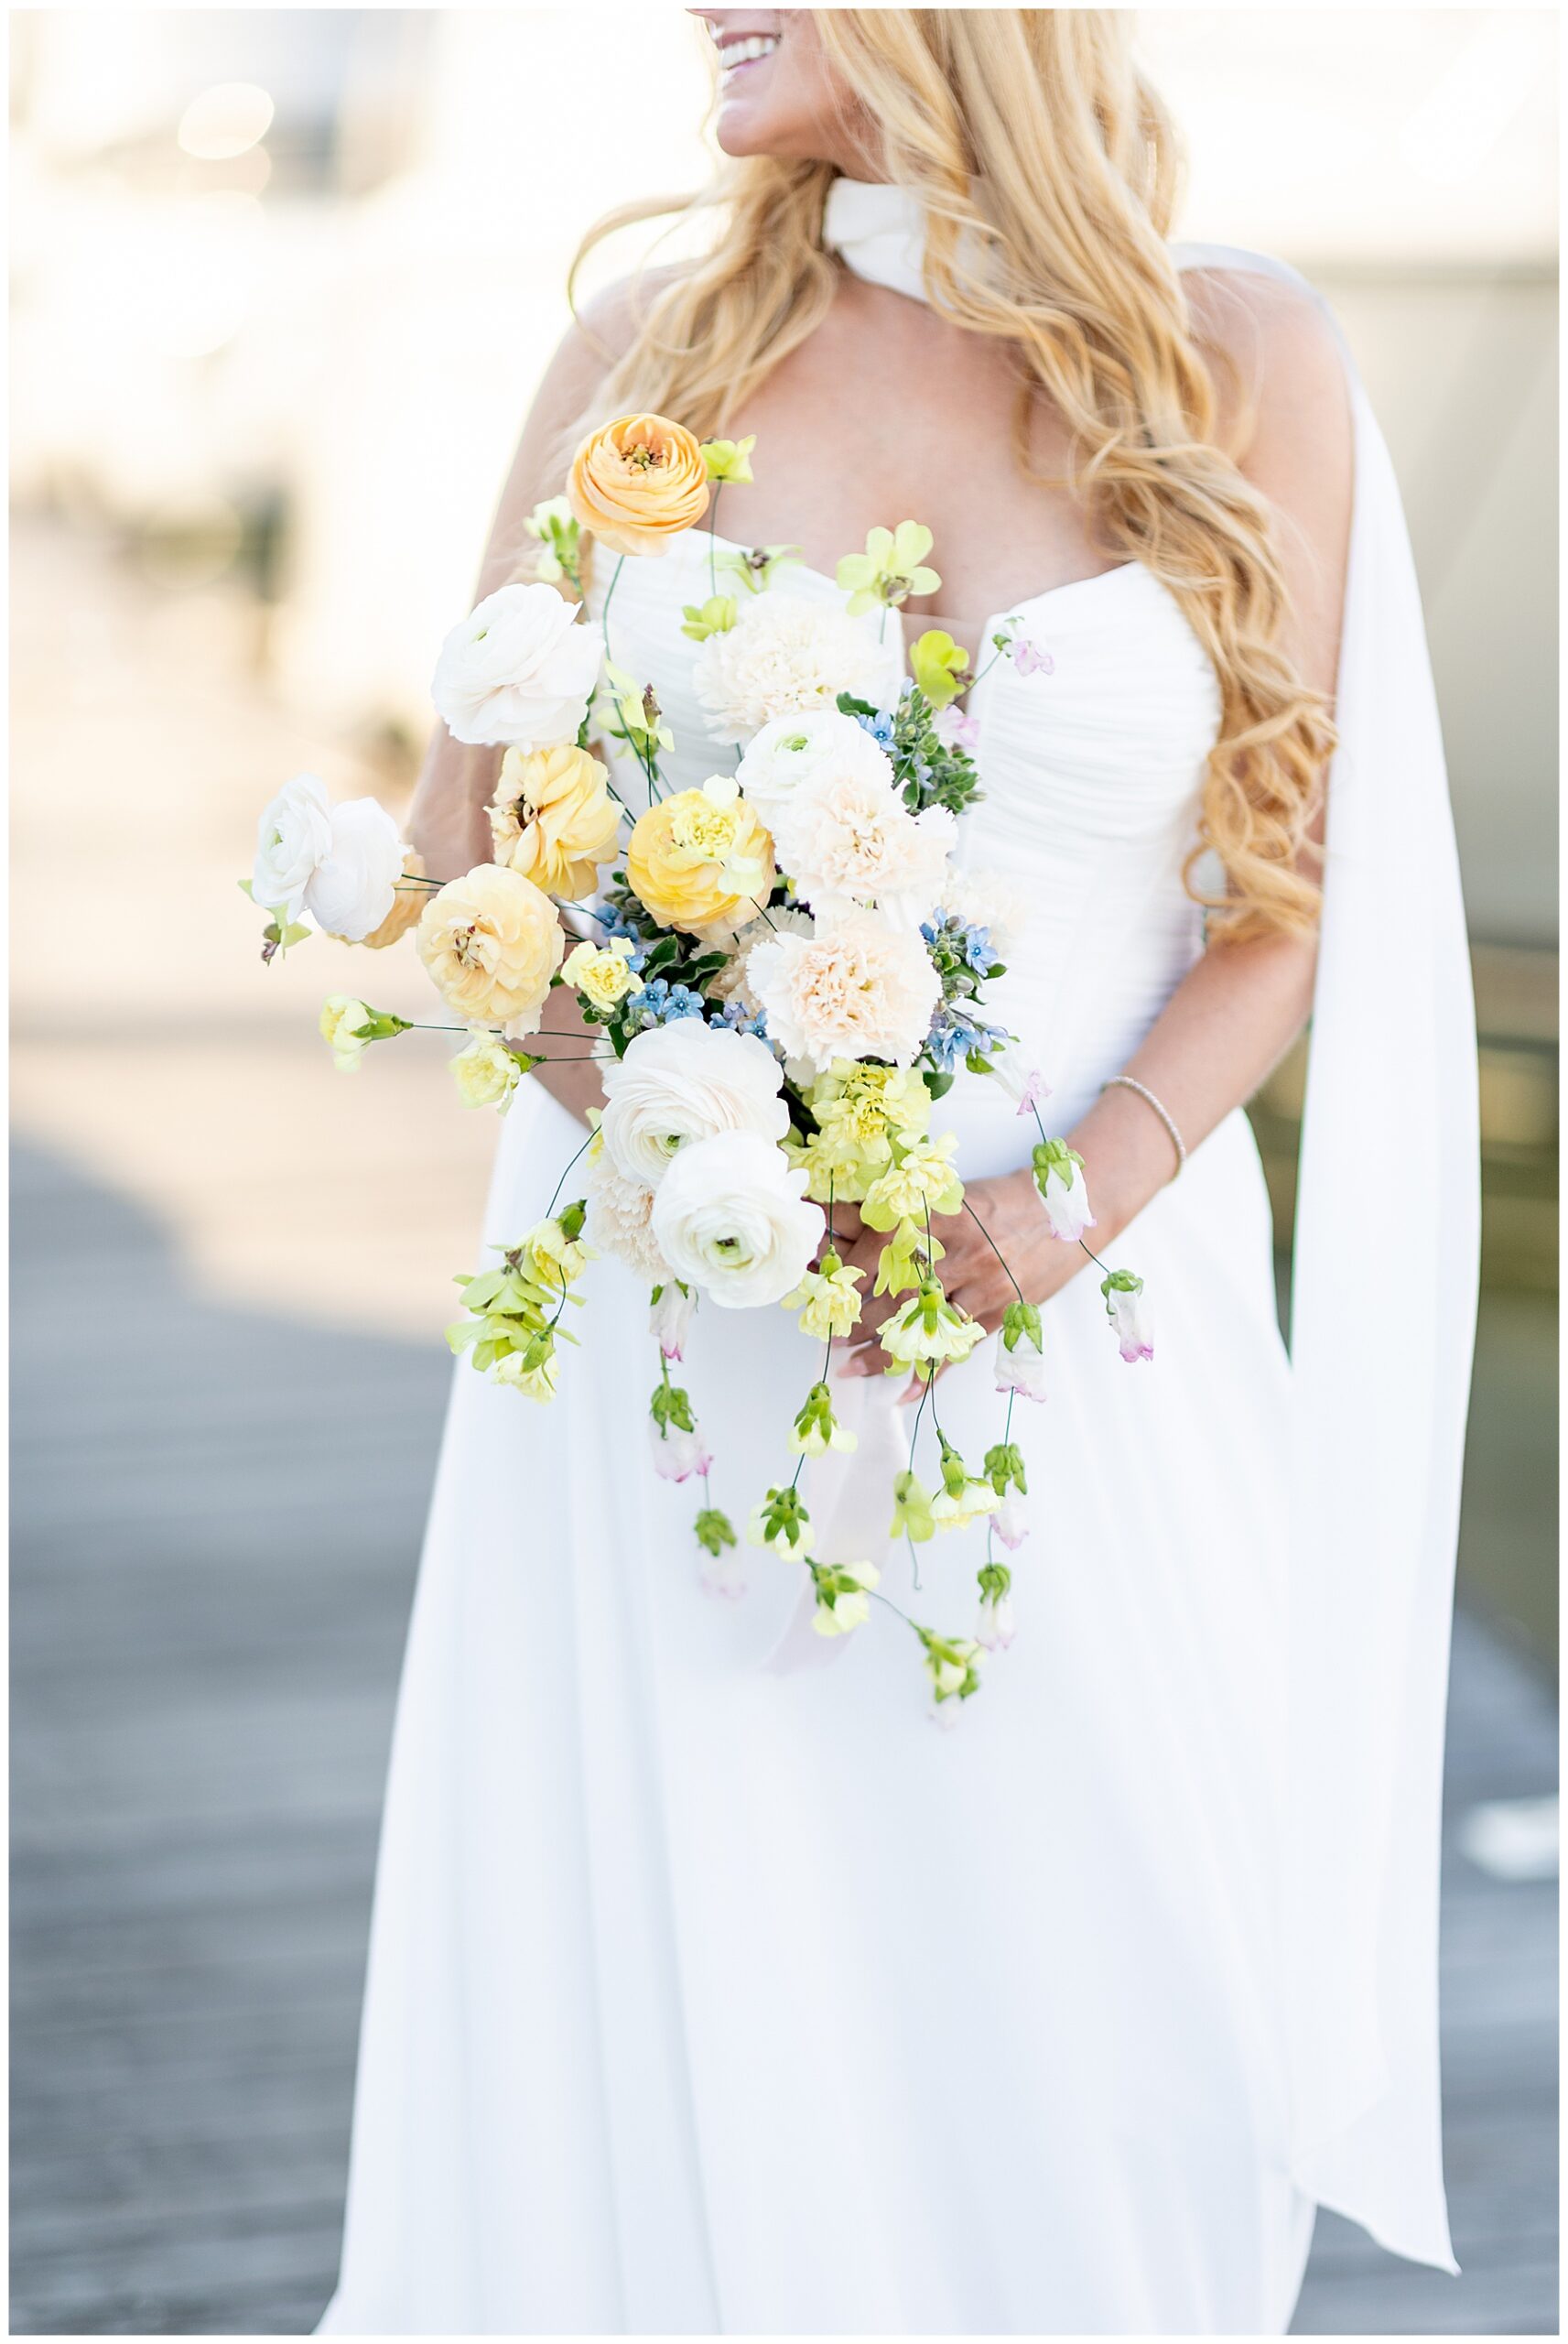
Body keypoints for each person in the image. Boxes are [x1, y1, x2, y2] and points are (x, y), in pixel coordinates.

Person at [319, 12, 1478, 2333]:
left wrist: (1058, 1205)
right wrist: (683, 1134)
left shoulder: (1233, 347)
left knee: (1116, 1986)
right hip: (673, 1312)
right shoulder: (646, 347)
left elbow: (1280, 902)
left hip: (1088, 1320)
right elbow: (465, 864)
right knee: (693, 1966)